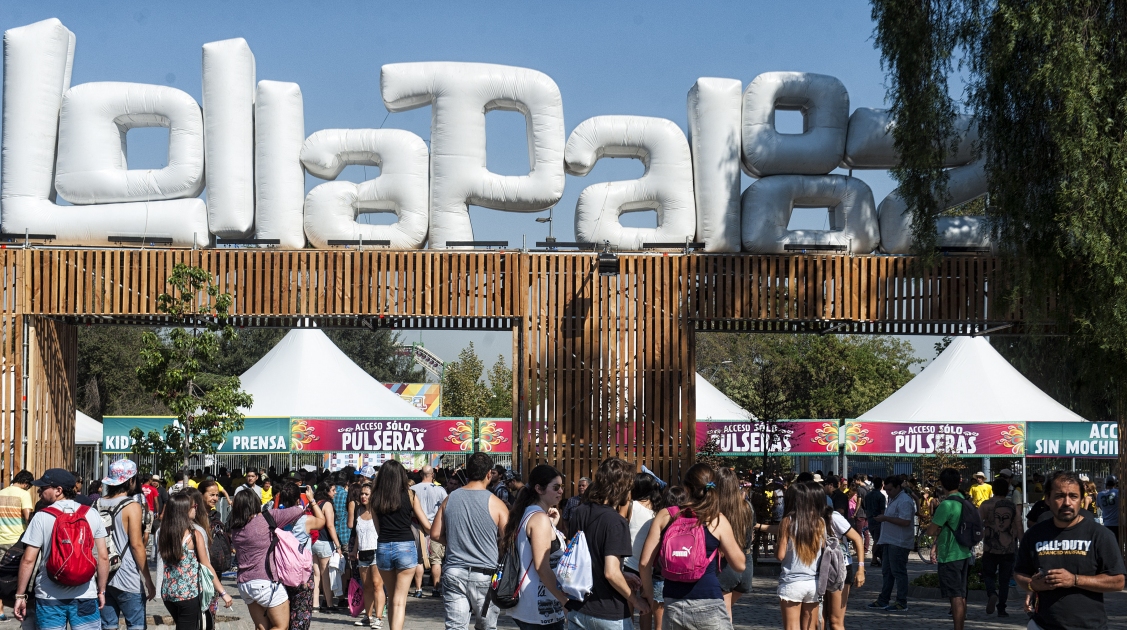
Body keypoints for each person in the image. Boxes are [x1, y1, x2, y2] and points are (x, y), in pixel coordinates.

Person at [1015, 471, 1126, 630]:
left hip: (1090, 626)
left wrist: (1074, 580)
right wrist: (1032, 585)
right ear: (1047, 499)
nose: (1067, 502)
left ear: (1081, 500)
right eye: (1059, 496)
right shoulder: (1034, 535)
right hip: (1042, 625)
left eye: (1073, 496)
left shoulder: (1100, 535)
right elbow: (1020, 573)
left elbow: (1118, 581)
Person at [640, 464, 740, 630]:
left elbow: (644, 563)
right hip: (709, 601)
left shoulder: (666, 515)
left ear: (685, 488)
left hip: (673, 603)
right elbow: (739, 564)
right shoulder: (715, 519)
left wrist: (650, 596)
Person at [12, 469, 110, 630]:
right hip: (85, 594)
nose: (39, 491)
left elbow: (28, 560)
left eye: (43, 488)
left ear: (58, 490)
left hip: (49, 595)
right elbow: (103, 557)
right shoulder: (91, 514)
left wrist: (20, 595)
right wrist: (101, 591)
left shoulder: (42, 516)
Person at [566, 458, 648, 630]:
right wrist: (636, 601)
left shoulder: (579, 512)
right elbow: (611, 573)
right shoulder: (616, 521)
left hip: (578, 608)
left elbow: (579, 559)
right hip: (608, 612)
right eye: (630, 486)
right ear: (622, 487)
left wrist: (622, 575)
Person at [430, 452, 509, 630]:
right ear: (489, 474)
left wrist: (455, 542)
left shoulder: (450, 499)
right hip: (485, 576)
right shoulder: (497, 504)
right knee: (487, 627)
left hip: (455, 573)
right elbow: (508, 540)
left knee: (455, 627)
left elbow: (435, 534)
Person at [501, 465, 569, 630]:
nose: (560, 491)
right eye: (556, 487)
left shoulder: (531, 514)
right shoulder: (539, 518)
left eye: (562, 486)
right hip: (539, 606)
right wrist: (565, 601)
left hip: (536, 603)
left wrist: (552, 526)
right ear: (539, 489)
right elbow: (542, 567)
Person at [228, 487, 306, 630]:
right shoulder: (266, 518)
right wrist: (304, 500)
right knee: (281, 626)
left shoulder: (235, 529)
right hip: (266, 582)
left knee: (262, 628)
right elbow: (298, 510)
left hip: (244, 583)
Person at [369, 460, 431, 630]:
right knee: (400, 600)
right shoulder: (410, 495)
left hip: (384, 546)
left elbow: (377, 528)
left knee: (391, 597)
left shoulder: (375, 497)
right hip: (405, 546)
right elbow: (426, 525)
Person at [95, 459, 156, 630]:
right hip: (127, 575)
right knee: (136, 625)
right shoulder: (131, 506)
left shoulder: (96, 504)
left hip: (101, 575)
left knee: (108, 626)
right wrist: (148, 579)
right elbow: (137, 545)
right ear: (131, 480)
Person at [159, 494, 231, 630]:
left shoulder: (164, 533)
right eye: (194, 506)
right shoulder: (194, 535)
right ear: (185, 510)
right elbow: (206, 565)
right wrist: (223, 592)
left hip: (168, 592)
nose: (196, 509)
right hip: (188, 594)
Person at [769, 481, 825, 630]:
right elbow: (823, 548)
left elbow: (780, 555)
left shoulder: (787, 521)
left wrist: (776, 548)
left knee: (792, 627)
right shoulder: (820, 522)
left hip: (792, 582)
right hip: (814, 582)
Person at [924, 469, 973, 630]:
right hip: (964, 552)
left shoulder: (946, 504)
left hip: (950, 554)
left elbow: (931, 530)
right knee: (962, 594)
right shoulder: (964, 501)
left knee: (955, 596)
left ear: (942, 484)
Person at [274, 483, 327, 630]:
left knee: (282, 616)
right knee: (301, 614)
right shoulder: (305, 520)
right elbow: (322, 521)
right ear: (298, 499)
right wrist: (312, 500)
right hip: (302, 573)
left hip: (281, 572)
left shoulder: (276, 519)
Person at [866, 475, 914, 612]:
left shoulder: (904, 500)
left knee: (898, 572)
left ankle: (901, 601)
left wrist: (886, 518)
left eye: (890, 489)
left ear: (898, 487)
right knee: (887, 572)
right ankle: (883, 599)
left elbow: (905, 521)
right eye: (886, 489)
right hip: (889, 540)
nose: (888, 492)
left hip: (899, 542)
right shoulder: (893, 498)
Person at [714, 468, 756, 621]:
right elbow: (751, 534)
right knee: (724, 609)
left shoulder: (716, 509)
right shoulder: (747, 507)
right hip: (746, 563)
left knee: (724, 613)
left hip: (725, 563)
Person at [979, 477, 1021, 617]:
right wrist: (1022, 541)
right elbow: (1019, 525)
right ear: (1007, 490)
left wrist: (977, 536)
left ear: (993, 489)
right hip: (1008, 548)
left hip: (990, 547)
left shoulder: (986, 505)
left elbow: (977, 523)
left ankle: (992, 593)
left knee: (988, 574)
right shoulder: (1012, 506)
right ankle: (1002, 608)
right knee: (1005, 579)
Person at [625, 473, 662, 630]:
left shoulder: (630, 505)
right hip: (649, 565)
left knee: (628, 607)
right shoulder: (659, 511)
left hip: (628, 563)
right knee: (646, 609)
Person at [822, 501, 865, 630]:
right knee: (819, 620)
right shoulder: (806, 517)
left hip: (840, 567)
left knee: (835, 621)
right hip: (819, 569)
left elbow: (857, 538)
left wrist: (861, 568)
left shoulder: (834, 517)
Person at [350, 482, 386, 630]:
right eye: (362, 494)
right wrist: (354, 550)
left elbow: (380, 531)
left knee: (377, 585)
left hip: (376, 550)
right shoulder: (358, 511)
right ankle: (368, 616)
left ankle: (378, 617)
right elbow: (358, 534)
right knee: (366, 586)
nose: (363, 496)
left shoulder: (377, 511)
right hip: (363, 551)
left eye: (366, 494)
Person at [0, 469, 34, 621]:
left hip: (1, 539)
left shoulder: (1, 493)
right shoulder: (23, 494)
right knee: (17, 576)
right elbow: (28, 517)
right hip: (16, 542)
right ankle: (19, 605)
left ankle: (0, 610)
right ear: (26, 484)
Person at [412, 465, 448, 597]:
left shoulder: (413, 490)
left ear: (421, 474)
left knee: (418, 560)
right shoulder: (440, 490)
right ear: (433, 475)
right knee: (436, 560)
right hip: (436, 527)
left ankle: (418, 589)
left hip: (417, 527)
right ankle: (436, 589)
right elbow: (447, 507)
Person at [312, 484, 341, 612]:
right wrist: (338, 545)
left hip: (313, 541)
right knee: (326, 575)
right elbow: (330, 526)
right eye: (333, 490)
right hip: (324, 542)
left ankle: (315, 604)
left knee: (316, 574)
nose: (335, 493)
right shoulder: (327, 505)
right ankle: (329, 604)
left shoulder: (314, 503)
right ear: (326, 491)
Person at [863, 476, 886, 567]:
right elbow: (882, 510)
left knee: (876, 539)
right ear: (881, 485)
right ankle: (874, 559)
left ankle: (876, 558)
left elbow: (865, 508)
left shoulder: (868, 495)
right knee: (877, 540)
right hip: (878, 520)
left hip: (870, 519)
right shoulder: (881, 496)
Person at [1095, 475, 1118, 542]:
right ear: (1115, 483)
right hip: (1117, 523)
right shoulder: (1117, 492)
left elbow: (1099, 506)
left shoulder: (1100, 494)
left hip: (1106, 523)